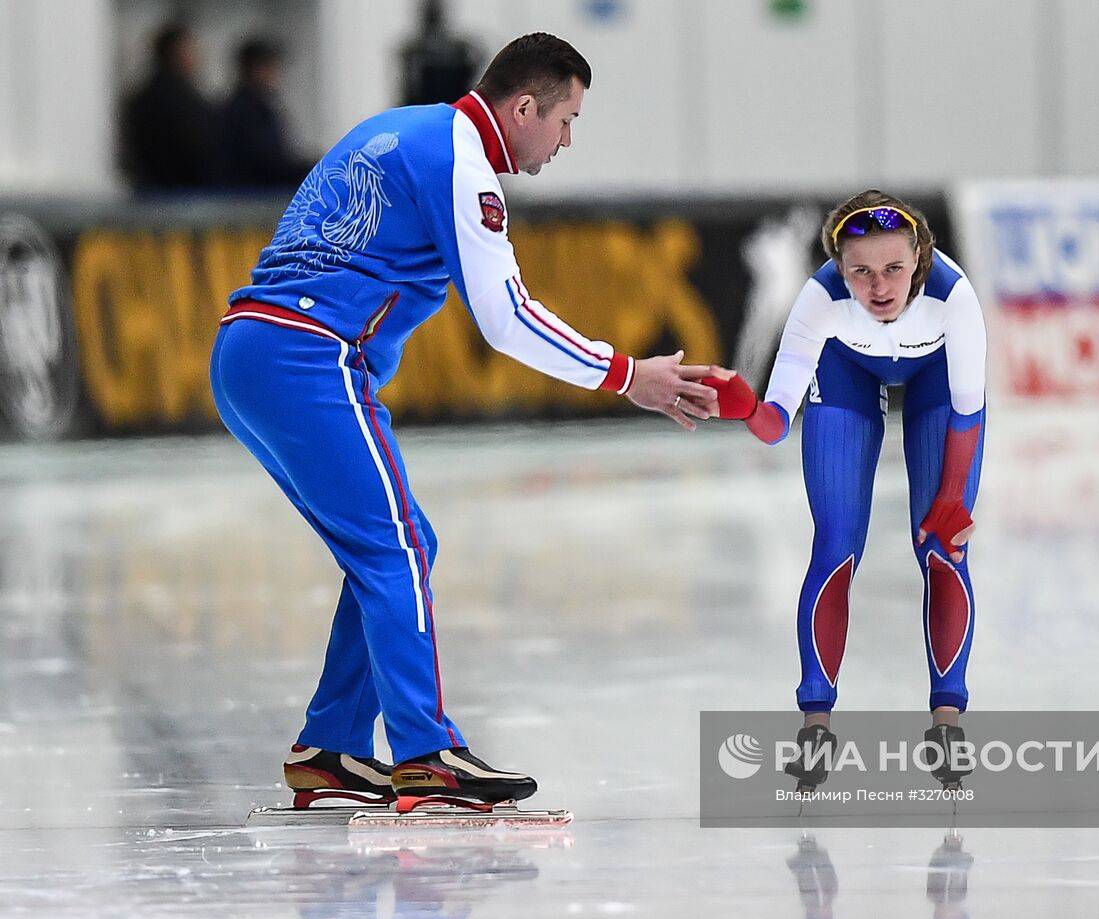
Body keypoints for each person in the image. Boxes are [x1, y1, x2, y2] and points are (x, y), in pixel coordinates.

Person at [210, 33, 722, 811]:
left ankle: (334, 746)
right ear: (523, 108)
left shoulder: (407, 128)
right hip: (307, 354)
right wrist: (629, 375)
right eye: (566, 120)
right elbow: (505, 317)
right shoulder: (463, 164)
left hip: (250, 351)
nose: (566, 140)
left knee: (392, 545)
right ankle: (427, 752)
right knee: (399, 547)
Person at [705, 190, 987, 790]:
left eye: (892, 269)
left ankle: (947, 723)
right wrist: (745, 408)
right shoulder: (821, 299)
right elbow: (776, 422)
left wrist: (952, 500)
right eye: (860, 271)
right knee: (834, 546)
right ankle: (815, 728)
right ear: (839, 266)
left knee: (942, 549)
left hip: (937, 383)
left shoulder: (953, 297)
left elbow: (968, 415)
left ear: (919, 259)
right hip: (848, 373)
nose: (878, 287)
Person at [118, 22, 219, 192]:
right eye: (191, 50)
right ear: (175, 53)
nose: (197, 57)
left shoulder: (142, 96)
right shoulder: (177, 100)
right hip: (180, 195)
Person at [218, 38, 313, 190]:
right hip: (249, 201)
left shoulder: (260, 107)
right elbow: (269, 164)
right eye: (271, 66)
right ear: (256, 69)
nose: (277, 73)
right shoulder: (244, 112)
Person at [399, 0, 489, 106]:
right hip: (428, 106)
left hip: (451, 104)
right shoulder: (412, 50)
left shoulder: (461, 47)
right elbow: (409, 89)